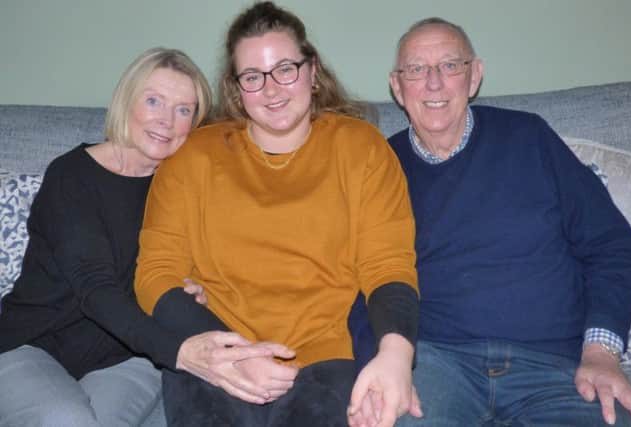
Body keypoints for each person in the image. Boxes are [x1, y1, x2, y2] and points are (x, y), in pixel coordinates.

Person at [134, 2, 421, 426]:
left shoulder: (360, 148)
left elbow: (388, 264)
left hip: (322, 358)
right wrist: (228, 354)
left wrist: (397, 355)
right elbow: (155, 272)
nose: (271, 90)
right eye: (253, 77)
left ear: (312, 70)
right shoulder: (194, 156)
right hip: (216, 354)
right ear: (236, 88)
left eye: (285, 68)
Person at [349, 17, 631, 426]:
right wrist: (379, 364)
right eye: (416, 70)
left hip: (555, 367)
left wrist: (601, 353)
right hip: (434, 365)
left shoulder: (530, 138)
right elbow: (359, 282)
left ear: (475, 76)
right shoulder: (378, 165)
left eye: (450, 66)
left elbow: (613, 245)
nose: (434, 83)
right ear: (397, 86)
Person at [0, 47, 275, 427]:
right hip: (35, 345)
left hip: (128, 357)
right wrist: (181, 353)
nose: (166, 120)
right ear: (126, 101)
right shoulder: (71, 177)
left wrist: (194, 287)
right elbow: (95, 289)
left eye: (183, 110)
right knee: (67, 420)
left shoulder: (183, 187)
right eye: (153, 101)